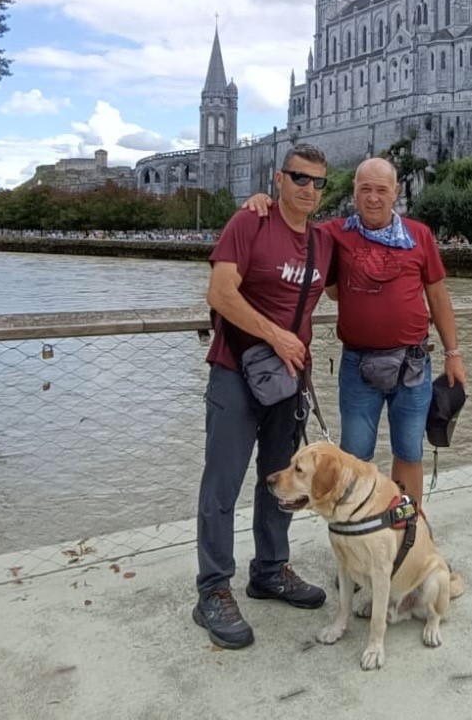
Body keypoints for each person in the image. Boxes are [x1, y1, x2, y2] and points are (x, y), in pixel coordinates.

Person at [244, 157, 467, 505]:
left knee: (409, 450)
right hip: (358, 365)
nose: (373, 198)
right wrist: (265, 202)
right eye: (365, 189)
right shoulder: (334, 234)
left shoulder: (419, 234)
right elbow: (294, 224)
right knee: (353, 456)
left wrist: (453, 354)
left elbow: (437, 295)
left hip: (413, 363)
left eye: (381, 190)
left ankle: (407, 526)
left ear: (396, 191)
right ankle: (357, 525)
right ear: (354, 192)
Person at [193, 144, 335, 650]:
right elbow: (220, 293)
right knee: (222, 484)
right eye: (299, 178)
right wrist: (276, 335)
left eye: (319, 182)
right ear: (279, 179)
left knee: (282, 480)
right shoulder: (248, 223)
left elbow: (371, 265)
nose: (309, 189)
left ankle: (270, 571)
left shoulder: (326, 242)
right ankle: (213, 589)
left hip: (289, 380)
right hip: (236, 370)